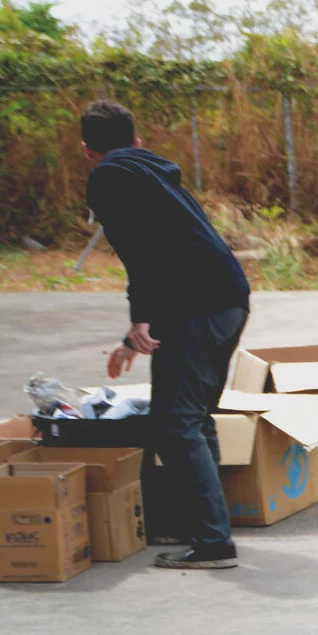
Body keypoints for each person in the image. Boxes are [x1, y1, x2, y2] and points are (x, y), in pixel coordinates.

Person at [86, 100, 252, 572]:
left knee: (176, 424)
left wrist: (140, 317)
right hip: (228, 297)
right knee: (195, 419)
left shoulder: (109, 177)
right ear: (137, 139)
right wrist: (133, 332)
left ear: (86, 151)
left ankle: (213, 541)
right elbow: (172, 252)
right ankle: (209, 526)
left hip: (196, 305)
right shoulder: (155, 172)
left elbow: (142, 251)